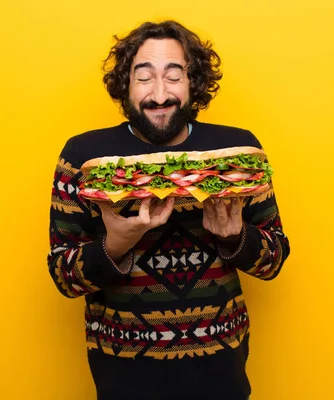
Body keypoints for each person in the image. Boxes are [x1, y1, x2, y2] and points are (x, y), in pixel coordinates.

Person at [48, 20, 290, 400]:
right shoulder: (83, 158)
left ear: (193, 82)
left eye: (173, 76)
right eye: (144, 78)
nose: (159, 94)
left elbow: (273, 261)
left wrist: (235, 236)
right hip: (122, 377)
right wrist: (115, 245)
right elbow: (64, 278)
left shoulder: (237, 155)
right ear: (125, 86)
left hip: (221, 373)